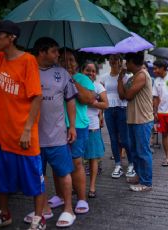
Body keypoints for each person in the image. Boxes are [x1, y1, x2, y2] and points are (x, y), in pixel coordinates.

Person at [0, 20, 46, 230]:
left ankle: (39, 217)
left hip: (24, 134)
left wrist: (26, 130)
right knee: (3, 179)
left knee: (34, 178)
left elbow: (37, 98)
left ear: (12, 37)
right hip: (2, 134)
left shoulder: (28, 61)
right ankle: (5, 214)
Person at [19, 37, 78, 228]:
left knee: (63, 173)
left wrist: (72, 126)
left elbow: (70, 100)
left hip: (57, 135)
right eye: (54, 51)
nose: (58, 54)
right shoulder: (26, 72)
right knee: (38, 174)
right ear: (42, 52)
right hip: (34, 137)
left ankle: (68, 209)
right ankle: (44, 209)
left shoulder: (63, 73)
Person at [53, 49, 95, 215]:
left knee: (76, 162)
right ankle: (60, 196)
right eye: (63, 60)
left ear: (76, 63)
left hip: (77, 125)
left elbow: (88, 99)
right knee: (57, 164)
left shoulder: (82, 78)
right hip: (56, 126)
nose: (67, 63)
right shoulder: (54, 77)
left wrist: (71, 80)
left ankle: (82, 199)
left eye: (71, 60)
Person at [118, 51, 154, 192]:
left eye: (127, 61)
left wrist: (123, 79)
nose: (126, 64)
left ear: (133, 62)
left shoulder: (142, 75)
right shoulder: (133, 77)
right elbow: (121, 95)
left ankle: (146, 182)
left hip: (142, 120)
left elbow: (128, 96)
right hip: (133, 119)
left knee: (143, 152)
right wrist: (120, 77)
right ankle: (140, 176)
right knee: (135, 151)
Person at [101, 54, 135, 179]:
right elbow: (101, 95)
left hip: (122, 108)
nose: (113, 61)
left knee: (125, 139)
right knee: (113, 139)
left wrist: (121, 76)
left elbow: (127, 94)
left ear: (121, 61)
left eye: (116, 58)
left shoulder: (127, 77)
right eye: (111, 58)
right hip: (108, 109)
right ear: (108, 61)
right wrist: (100, 114)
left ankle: (132, 163)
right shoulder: (104, 77)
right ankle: (118, 164)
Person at [82, 61, 109, 198]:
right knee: (77, 159)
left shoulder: (98, 87)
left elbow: (106, 104)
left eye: (93, 71)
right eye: (88, 70)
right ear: (82, 71)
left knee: (93, 158)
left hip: (92, 126)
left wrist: (93, 102)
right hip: (77, 126)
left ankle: (92, 187)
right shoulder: (76, 85)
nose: (91, 73)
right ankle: (78, 185)